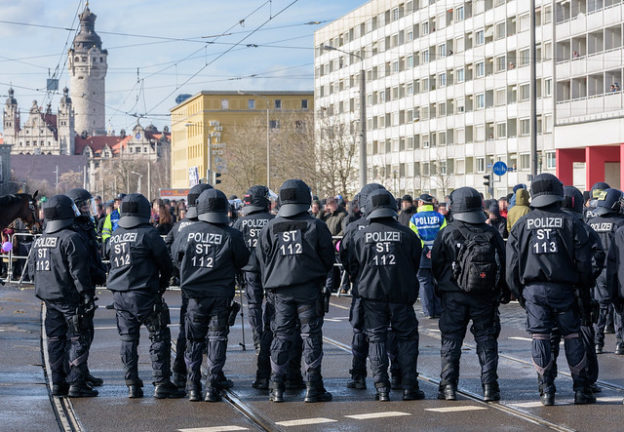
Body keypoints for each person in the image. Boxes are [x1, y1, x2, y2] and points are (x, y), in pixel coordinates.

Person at [506, 173, 595, 406]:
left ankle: (546, 390)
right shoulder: (572, 222)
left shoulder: (521, 225)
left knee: (540, 337)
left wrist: (520, 293)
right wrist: (583, 288)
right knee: (573, 336)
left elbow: (512, 266)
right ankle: (580, 389)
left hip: (533, 291)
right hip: (566, 289)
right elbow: (584, 262)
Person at [255, 179, 334, 403]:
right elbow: (328, 258)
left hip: (280, 292)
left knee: (281, 336)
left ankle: (276, 387)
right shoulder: (316, 225)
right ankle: (313, 387)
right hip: (308, 289)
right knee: (310, 336)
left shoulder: (270, 227)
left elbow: (261, 258)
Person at [344, 188, 424, 401]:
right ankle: (409, 386)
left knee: (376, 339)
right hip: (401, 295)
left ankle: (381, 388)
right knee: (406, 339)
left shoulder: (359, 235)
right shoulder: (407, 234)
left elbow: (351, 264)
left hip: (371, 296)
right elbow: (416, 261)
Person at [432, 187, 508, 402]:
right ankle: (490, 387)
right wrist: (500, 291)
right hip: (485, 296)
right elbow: (503, 263)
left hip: (453, 296)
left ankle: (448, 387)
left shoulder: (447, 231)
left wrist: (445, 285)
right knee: (486, 341)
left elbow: (436, 264)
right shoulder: (491, 232)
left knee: (451, 341)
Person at [172, 188, 249, 402]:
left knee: (194, 341)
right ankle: (212, 388)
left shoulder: (187, 232)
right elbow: (243, 259)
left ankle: (192, 387)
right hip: (220, 296)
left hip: (195, 296)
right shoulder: (231, 234)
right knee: (217, 340)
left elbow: (176, 259)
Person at [106, 194, 184, 399]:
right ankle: (161, 382)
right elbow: (165, 264)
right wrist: (162, 284)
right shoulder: (148, 233)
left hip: (120, 295)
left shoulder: (116, 234)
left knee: (128, 339)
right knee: (158, 335)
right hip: (145, 292)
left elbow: (109, 257)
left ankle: (132, 384)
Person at [29, 195, 97, 397]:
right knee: (78, 338)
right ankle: (76, 384)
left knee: (55, 341)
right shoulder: (70, 238)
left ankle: (58, 383)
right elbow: (79, 272)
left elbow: (33, 272)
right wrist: (86, 296)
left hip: (49, 300)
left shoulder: (40, 241)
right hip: (70, 299)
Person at [164, 183, 213, 389]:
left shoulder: (180, 226)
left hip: (188, 284)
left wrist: (180, 273)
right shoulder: (211, 224)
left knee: (187, 329)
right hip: (210, 283)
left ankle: (180, 373)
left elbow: (169, 252)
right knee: (214, 332)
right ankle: (210, 377)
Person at [340, 183, 385, 390]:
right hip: (391, 287)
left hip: (362, 287)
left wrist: (353, 275)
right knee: (392, 333)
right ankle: (399, 376)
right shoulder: (396, 226)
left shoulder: (354, 227)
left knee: (360, 331)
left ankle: (358, 375)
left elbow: (346, 257)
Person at [558, 186, 603, 394]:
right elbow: (597, 257)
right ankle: (586, 381)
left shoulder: (547, 225)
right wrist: (585, 279)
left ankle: (546, 386)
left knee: (547, 337)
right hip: (579, 290)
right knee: (583, 334)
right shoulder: (584, 227)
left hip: (553, 290)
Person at [233, 185, 275, 385]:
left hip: (249, 269)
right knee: (272, 305)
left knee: (253, 306)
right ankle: (269, 335)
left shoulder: (240, 223)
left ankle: (258, 339)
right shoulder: (273, 220)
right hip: (270, 269)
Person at [66, 188, 107, 389]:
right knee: (78, 334)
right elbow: (79, 262)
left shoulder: (86, 225)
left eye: (87, 205)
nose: (86, 209)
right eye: (83, 205)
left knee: (86, 333)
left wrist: (100, 270)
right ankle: (76, 377)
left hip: (88, 283)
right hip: (78, 288)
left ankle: (83, 371)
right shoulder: (74, 228)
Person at [586, 188, 624, 354]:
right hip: (616, 270)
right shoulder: (620, 223)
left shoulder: (591, 222)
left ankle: (597, 342)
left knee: (600, 308)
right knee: (619, 308)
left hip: (598, 272)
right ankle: (620, 344)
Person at [409, 193, 446, 319]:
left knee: (424, 282)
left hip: (422, 255)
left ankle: (428, 311)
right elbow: (443, 236)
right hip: (438, 254)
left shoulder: (414, 219)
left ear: (421, 203)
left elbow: (415, 237)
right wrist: (434, 249)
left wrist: (426, 249)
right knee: (437, 281)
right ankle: (439, 309)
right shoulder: (440, 217)